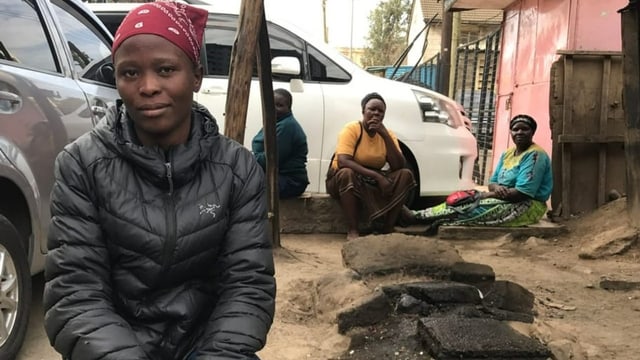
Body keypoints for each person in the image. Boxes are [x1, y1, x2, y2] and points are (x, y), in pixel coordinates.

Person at [43, 2, 275, 359]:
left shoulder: (237, 169)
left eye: (166, 69)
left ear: (196, 75)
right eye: (130, 73)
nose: (148, 87)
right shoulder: (81, 165)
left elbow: (247, 287)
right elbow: (76, 292)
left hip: (208, 347)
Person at [410, 114, 553, 232]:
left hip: (527, 205)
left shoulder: (535, 155)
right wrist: (496, 189)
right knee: (460, 201)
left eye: (525, 129)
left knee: (470, 207)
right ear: (511, 132)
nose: (520, 132)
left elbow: (522, 193)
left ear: (533, 132)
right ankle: (418, 216)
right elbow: (492, 182)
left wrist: (486, 195)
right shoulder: (508, 153)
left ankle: (418, 217)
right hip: (504, 197)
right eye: (515, 129)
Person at [326, 92, 416, 240]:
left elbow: (398, 165)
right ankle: (353, 229)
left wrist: (385, 136)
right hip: (343, 178)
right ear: (363, 111)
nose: (376, 113)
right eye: (372, 109)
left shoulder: (388, 134)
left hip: (370, 180)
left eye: (380, 111)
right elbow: (343, 161)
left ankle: (388, 227)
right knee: (346, 173)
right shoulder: (352, 129)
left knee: (406, 175)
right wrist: (377, 176)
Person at [251, 88, 309, 198]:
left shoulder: (287, 126)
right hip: (276, 176)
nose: (275, 109)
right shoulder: (275, 122)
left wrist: (248, 159)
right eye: (272, 104)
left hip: (291, 181)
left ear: (289, 107)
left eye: (280, 105)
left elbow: (270, 159)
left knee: (244, 187)